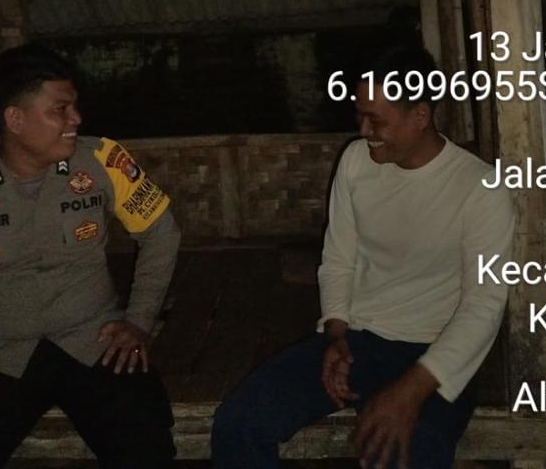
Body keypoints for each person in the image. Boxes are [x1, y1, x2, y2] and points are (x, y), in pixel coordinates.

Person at [211, 41, 515, 469]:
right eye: (359, 116)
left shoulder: (480, 188)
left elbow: (483, 306)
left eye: (377, 120)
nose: (364, 130)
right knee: (239, 423)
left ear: (421, 115)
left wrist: (409, 393)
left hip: (437, 356)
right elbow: (338, 259)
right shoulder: (356, 162)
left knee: (406, 452)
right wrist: (335, 336)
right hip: (358, 342)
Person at [0, 43, 181, 469]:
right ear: (15, 119)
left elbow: (161, 232)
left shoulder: (103, 160)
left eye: (74, 107)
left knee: (147, 448)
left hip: (97, 343)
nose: (76, 119)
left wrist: (139, 320)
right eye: (60, 110)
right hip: (1, 355)